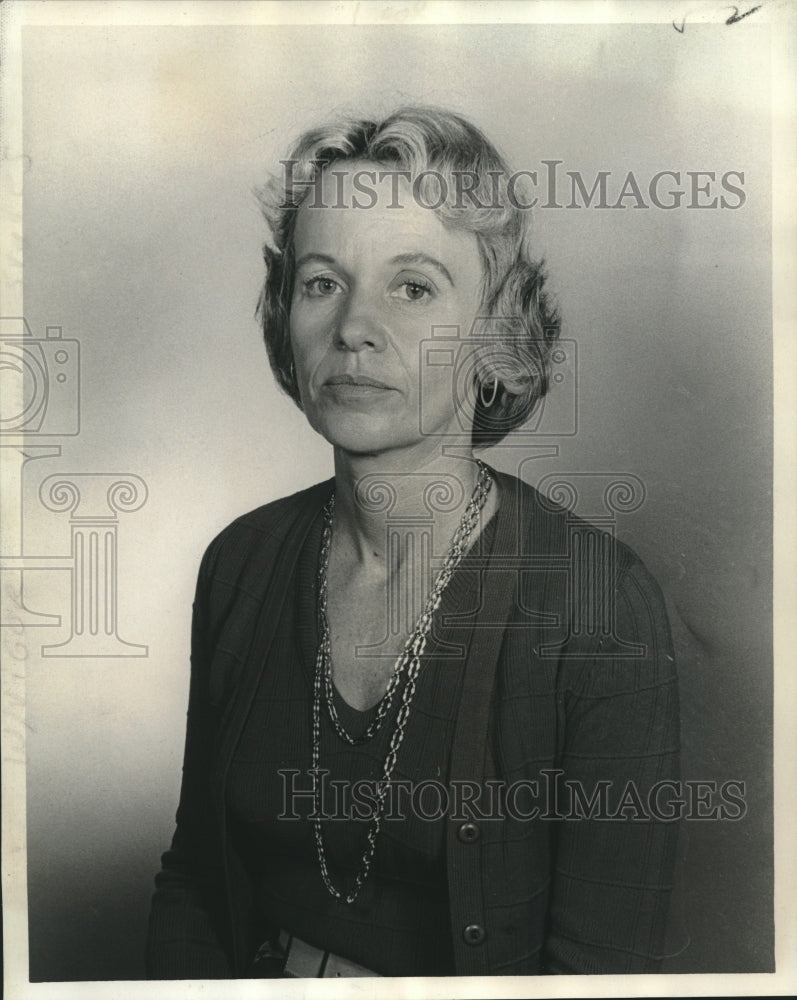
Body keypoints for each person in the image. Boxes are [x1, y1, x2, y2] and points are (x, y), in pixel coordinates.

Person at [146, 105, 680, 979]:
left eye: (413, 286)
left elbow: (603, 974)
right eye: (321, 282)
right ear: (287, 315)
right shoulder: (240, 562)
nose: (354, 325)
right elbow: (196, 884)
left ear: (495, 331)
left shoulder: (598, 605)